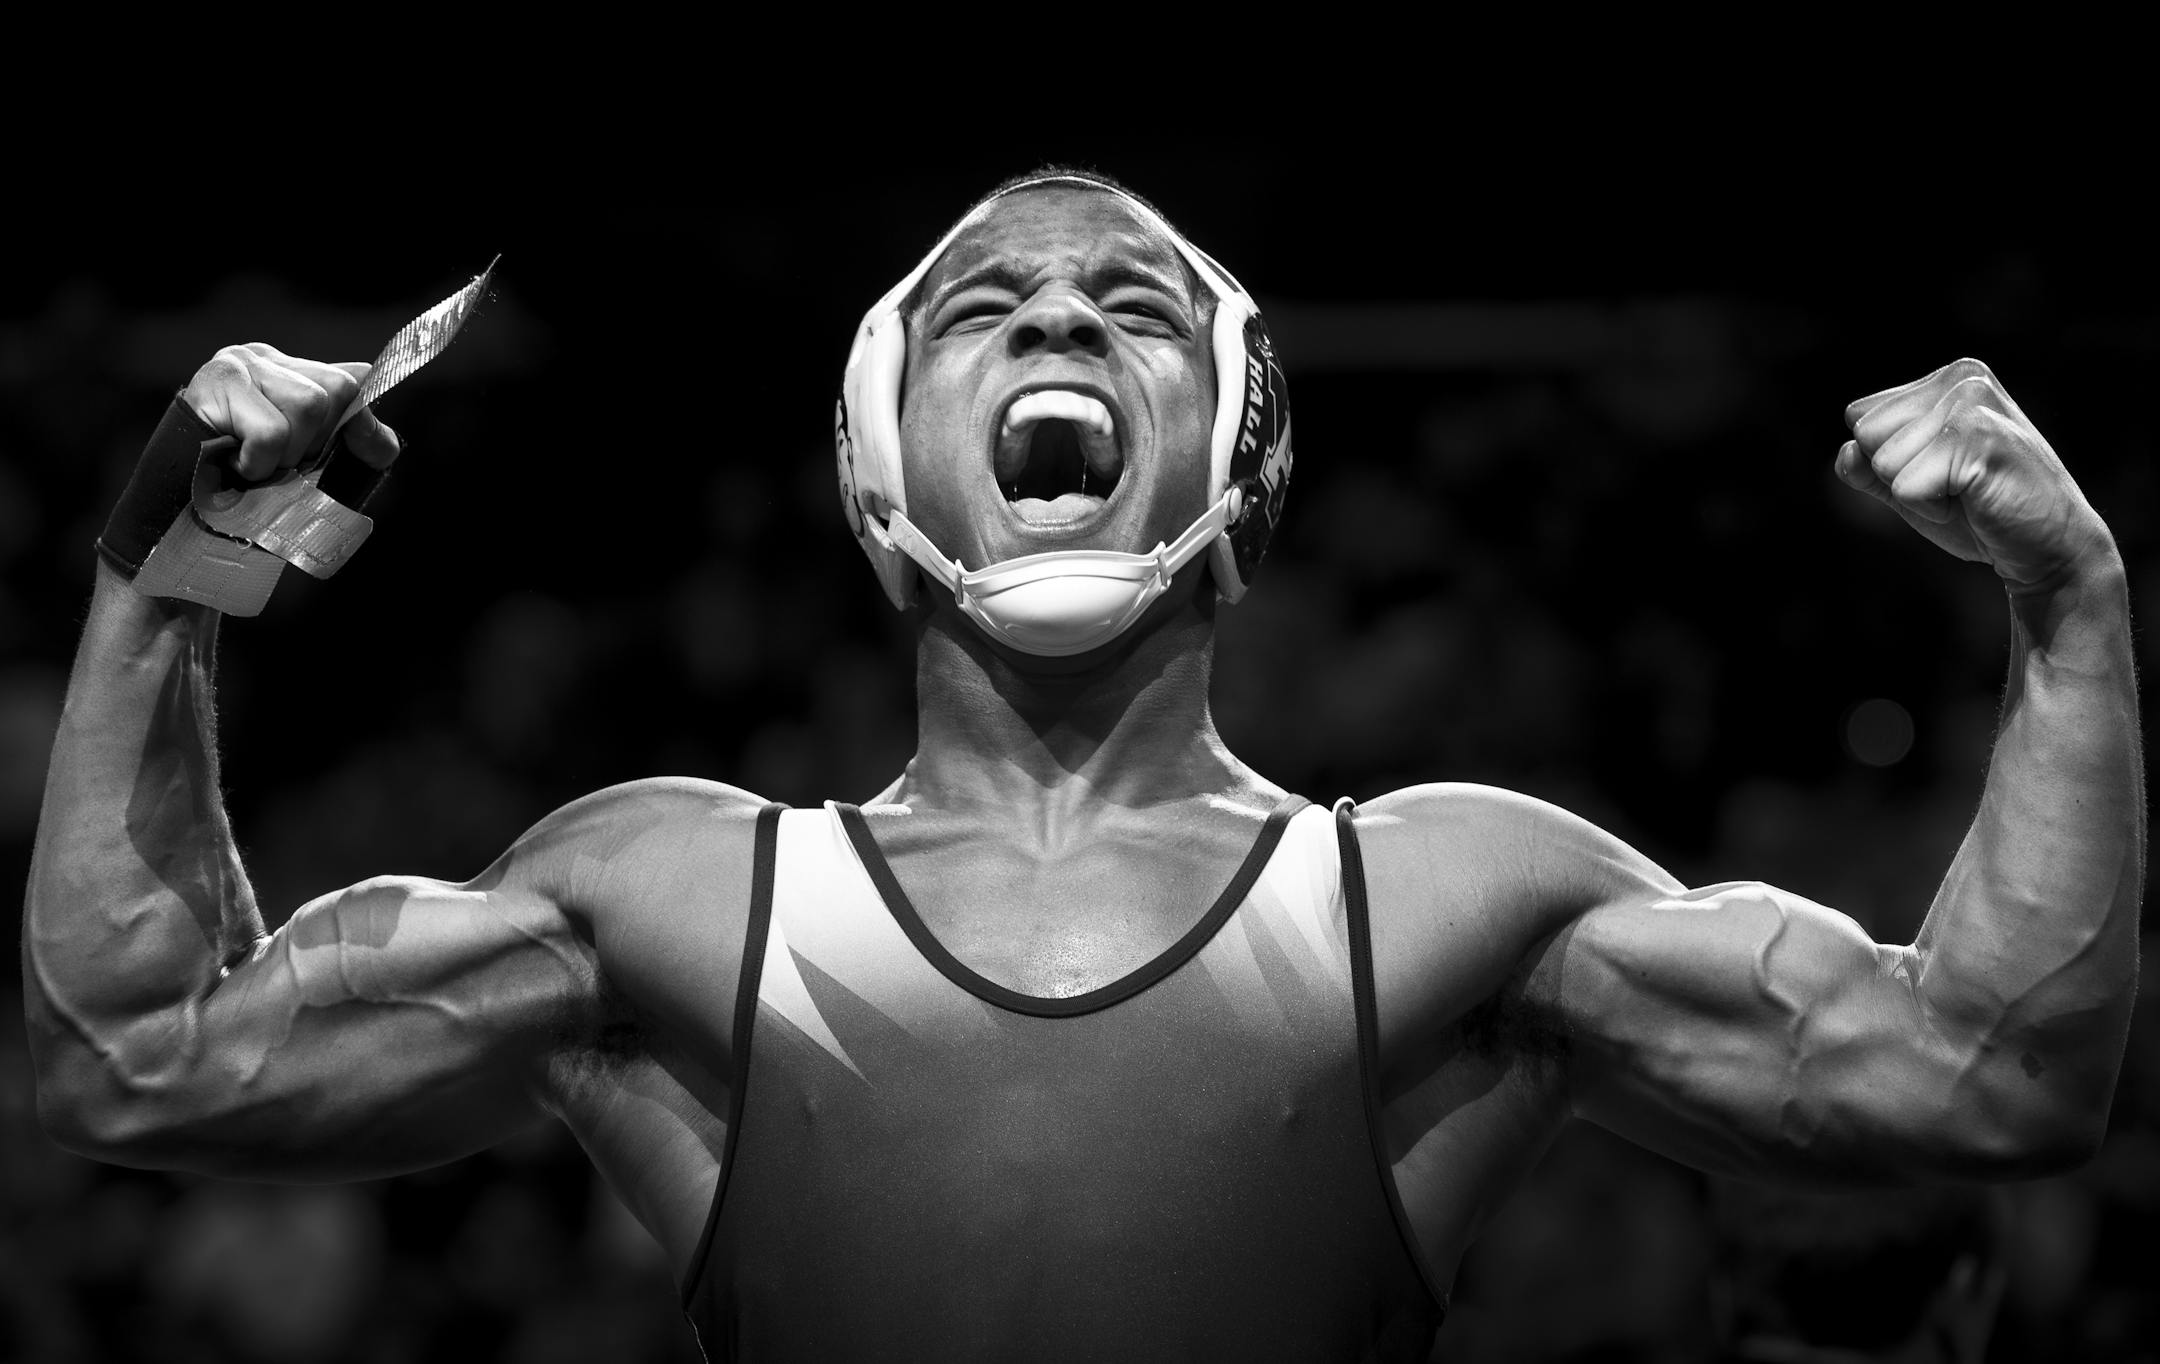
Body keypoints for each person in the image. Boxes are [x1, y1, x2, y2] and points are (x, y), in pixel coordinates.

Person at [23, 167, 2144, 1363]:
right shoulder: (663, 897)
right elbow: (143, 1062)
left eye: (1130, 304)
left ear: (1237, 447)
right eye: (985, 308)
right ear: (882, 455)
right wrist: (171, 568)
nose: (1056, 321)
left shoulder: (1453, 904)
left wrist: (2072, 600)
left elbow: (1992, 1080)